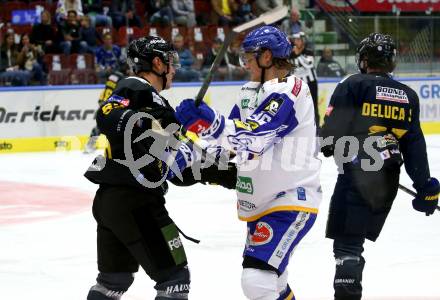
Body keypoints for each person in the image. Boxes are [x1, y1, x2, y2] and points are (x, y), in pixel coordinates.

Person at [175, 25, 322, 300]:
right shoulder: (250, 91)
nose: (245, 64)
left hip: (290, 198)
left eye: (248, 57)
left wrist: (212, 123)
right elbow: (227, 142)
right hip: (261, 201)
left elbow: (255, 138)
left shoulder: (291, 89)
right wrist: (185, 153)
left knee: (257, 281)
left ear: (267, 57)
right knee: (274, 283)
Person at [84, 36, 236, 300]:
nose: (174, 69)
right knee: (175, 280)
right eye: (170, 63)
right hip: (138, 203)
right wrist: (162, 127)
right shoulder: (135, 87)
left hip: (112, 202)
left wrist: (226, 173)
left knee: (112, 282)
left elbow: (178, 168)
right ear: (156, 63)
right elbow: (107, 113)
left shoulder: (156, 104)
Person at [319, 33, 439, 300]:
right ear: (391, 62)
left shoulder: (353, 84)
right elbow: (415, 147)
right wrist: (426, 188)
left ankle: (348, 294)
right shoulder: (408, 95)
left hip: (356, 177)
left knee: (348, 246)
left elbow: (329, 138)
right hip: (387, 184)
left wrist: (327, 141)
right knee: (354, 244)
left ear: (363, 60)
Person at [290, 31, 319, 127]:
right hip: (298, 84)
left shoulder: (309, 52)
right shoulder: (291, 54)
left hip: (311, 83)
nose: (295, 41)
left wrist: (298, 55)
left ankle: (316, 126)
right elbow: (290, 67)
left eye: (298, 39)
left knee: (313, 105)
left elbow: (308, 64)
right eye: (295, 40)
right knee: (298, 106)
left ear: (303, 41)